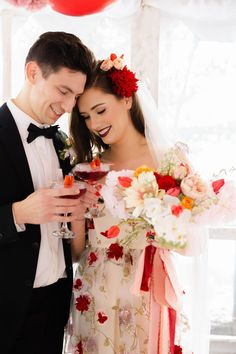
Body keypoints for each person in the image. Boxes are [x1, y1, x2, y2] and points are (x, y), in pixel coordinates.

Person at [68, 55, 208, 354]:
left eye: (100, 110)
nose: (94, 124)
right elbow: (78, 253)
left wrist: (158, 226)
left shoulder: (170, 160)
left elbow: (191, 243)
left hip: (148, 292)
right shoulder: (89, 168)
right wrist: (77, 211)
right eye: (86, 117)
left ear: (127, 99)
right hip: (96, 296)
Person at [0, 31, 95, 354]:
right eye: (63, 91)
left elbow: (71, 245)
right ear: (32, 73)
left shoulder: (61, 143)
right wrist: (19, 214)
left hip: (53, 309)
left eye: (76, 96)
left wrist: (78, 215)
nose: (68, 106)